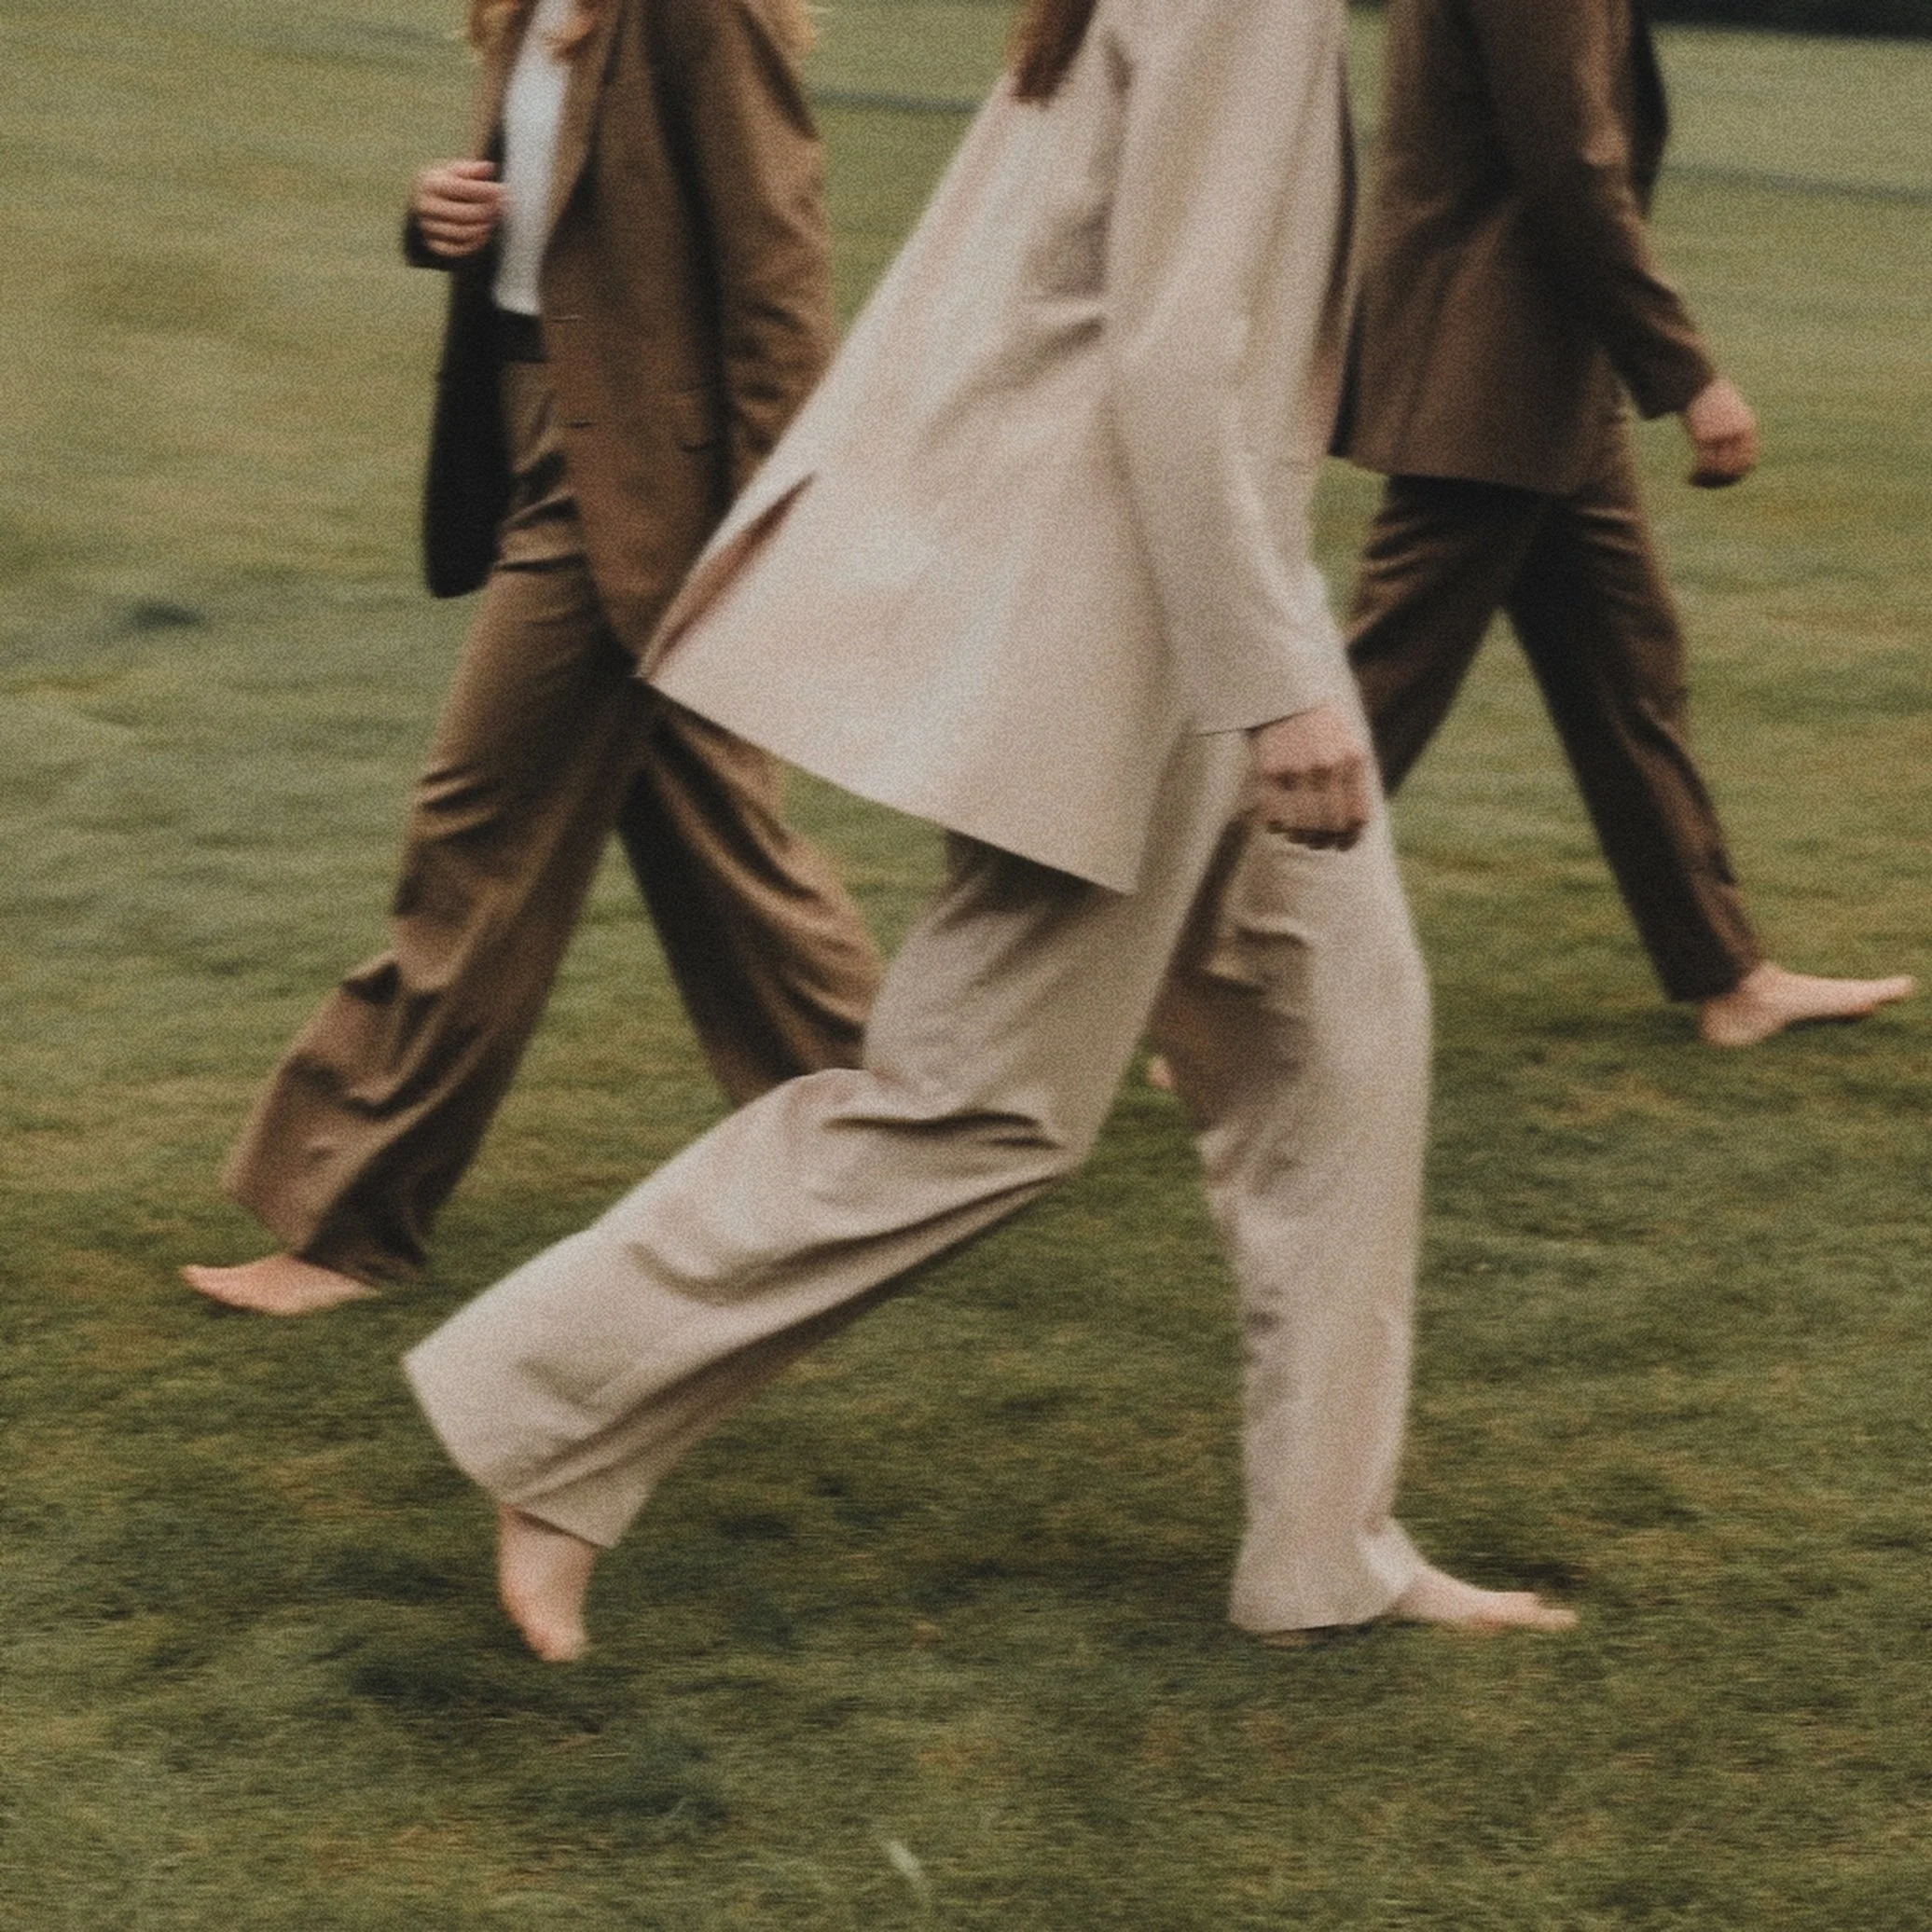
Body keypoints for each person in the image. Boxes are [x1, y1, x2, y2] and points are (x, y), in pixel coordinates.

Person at [402, 0, 1575, 1663]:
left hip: (1183, 602)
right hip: (1133, 631)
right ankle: (545, 1407)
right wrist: (1269, 683)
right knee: (977, 1107)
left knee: (1347, 1049)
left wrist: (1270, 649)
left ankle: (1325, 1550)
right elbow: (1173, 351)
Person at [184, 0, 883, 1318]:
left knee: (477, 837)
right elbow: (545, 225)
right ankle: (906, 1128)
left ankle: (346, 1224)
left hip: (633, 470)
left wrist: (771, 516)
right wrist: (435, 211)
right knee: (710, 831)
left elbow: (776, 262)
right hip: (526, 415)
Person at [1339, 0, 1912, 1048]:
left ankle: (1727, 975)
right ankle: (1205, 980)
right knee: (1367, 707)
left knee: (1626, 673)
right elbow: (1568, 169)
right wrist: (1687, 376)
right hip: (1488, 370)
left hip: (1542, 371)